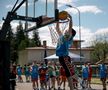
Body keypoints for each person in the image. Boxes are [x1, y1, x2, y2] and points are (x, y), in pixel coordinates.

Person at [55, 12, 76, 90]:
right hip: (61, 57)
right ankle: (75, 84)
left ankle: (75, 86)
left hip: (65, 57)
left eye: (67, 30)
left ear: (71, 34)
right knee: (68, 74)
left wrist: (71, 19)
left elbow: (70, 28)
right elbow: (57, 29)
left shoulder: (68, 37)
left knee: (69, 73)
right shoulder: (62, 36)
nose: (66, 30)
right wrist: (57, 20)